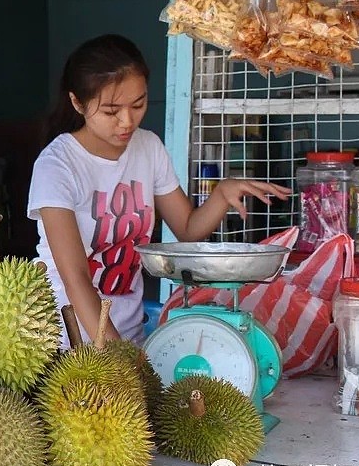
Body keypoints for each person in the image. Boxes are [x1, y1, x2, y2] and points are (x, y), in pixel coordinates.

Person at [27, 35, 290, 347]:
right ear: (77, 103)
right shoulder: (56, 165)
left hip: (129, 337)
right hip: (63, 344)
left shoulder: (147, 147)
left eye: (138, 105)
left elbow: (188, 230)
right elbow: (75, 278)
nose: (127, 122)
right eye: (112, 111)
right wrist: (113, 355)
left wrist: (222, 194)